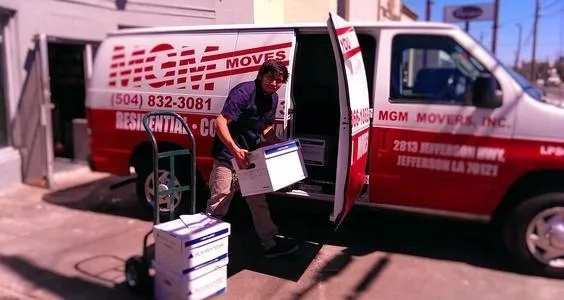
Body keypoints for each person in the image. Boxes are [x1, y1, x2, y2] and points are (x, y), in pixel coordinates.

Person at [206, 59, 300, 258]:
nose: (274, 83)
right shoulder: (244, 92)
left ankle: (269, 242)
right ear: (261, 76)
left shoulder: (273, 98)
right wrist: (235, 150)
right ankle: (204, 249)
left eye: (279, 81)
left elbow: (265, 126)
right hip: (228, 155)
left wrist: (277, 143)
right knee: (219, 200)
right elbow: (220, 122)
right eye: (271, 78)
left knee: (258, 201)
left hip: (251, 157)